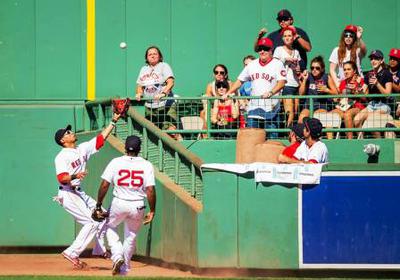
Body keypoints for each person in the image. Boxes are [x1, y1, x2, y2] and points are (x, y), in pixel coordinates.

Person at [53, 113, 121, 268]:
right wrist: (76, 175)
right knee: (92, 221)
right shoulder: (61, 157)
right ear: (63, 141)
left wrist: (114, 121)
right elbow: (62, 178)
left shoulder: (81, 148)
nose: (71, 132)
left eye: (69, 131)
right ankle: (72, 252)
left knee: (102, 216)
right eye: (67, 133)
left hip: (78, 192)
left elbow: (100, 139)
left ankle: (99, 250)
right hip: (68, 193)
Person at [95, 135, 156, 275]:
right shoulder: (146, 164)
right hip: (137, 205)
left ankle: (117, 256)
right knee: (132, 235)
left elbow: (105, 185)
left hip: (119, 202)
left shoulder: (116, 162)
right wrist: (152, 210)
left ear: (125, 147)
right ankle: (125, 268)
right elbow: (150, 190)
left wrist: (98, 204)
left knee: (109, 226)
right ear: (139, 148)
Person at [227, 37, 287, 139]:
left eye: (265, 48)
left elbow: (282, 82)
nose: (262, 51)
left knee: (271, 143)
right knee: (251, 141)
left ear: (271, 50)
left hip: (271, 110)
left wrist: (271, 93)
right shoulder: (252, 65)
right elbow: (240, 80)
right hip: (254, 110)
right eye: (260, 49)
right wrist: (229, 92)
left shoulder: (277, 64)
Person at [135, 46, 181, 140]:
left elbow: (170, 82)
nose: (152, 56)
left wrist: (163, 93)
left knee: (170, 132)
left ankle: (180, 149)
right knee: (152, 132)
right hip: (150, 106)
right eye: (150, 54)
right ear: (147, 58)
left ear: (159, 56)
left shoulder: (164, 66)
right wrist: (139, 93)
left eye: (155, 53)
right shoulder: (144, 69)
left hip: (166, 104)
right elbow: (139, 86)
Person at [354, 50, 393, 138]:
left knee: (371, 120)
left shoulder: (387, 73)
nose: (373, 61)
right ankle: (362, 143)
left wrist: (377, 84)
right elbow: (363, 91)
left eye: (376, 58)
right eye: (371, 59)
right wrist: (359, 90)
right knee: (356, 120)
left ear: (381, 60)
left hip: (384, 105)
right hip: (371, 105)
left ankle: (379, 143)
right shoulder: (369, 74)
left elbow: (388, 94)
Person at [330, 61, 368, 139]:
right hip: (344, 107)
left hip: (358, 107)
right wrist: (337, 98)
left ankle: (350, 141)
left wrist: (355, 90)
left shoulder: (361, 80)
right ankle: (330, 140)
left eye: (348, 69)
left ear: (354, 71)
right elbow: (340, 97)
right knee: (329, 115)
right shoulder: (343, 82)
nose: (346, 72)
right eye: (344, 70)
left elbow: (365, 97)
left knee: (347, 114)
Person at [273, 26, 302, 127]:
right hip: (286, 84)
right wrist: (286, 59)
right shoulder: (279, 49)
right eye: (285, 36)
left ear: (294, 37)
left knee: (295, 111)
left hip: (296, 84)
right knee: (289, 112)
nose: (287, 38)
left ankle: (292, 132)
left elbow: (297, 68)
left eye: (289, 35)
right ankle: (287, 133)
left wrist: (298, 69)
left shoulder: (296, 52)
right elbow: (274, 65)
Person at [298, 56, 338, 123]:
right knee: (301, 120)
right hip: (309, 105)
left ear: (322, 69)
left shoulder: (326, 77)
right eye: (312, 68)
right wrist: (304, 80)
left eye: (317, 68)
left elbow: (336, 93)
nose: (314, 70)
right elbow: (300, 93)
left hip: (321, 106)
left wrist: (326, 90)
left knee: (317, 118)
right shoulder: (308, 76)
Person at [200, 64, 233, 137]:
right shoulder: (210, 85)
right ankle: (206, 137)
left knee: (208, 113)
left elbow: (232, 100)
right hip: (216, 109)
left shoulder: (230, 84)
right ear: (214, 74)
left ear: (226, 74)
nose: (219, 74)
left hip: (228, 109)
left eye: (221, 72)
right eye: (216, 72)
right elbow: (207, 103)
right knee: (204, 113)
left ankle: (215, 135)